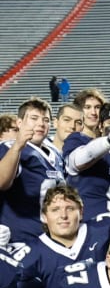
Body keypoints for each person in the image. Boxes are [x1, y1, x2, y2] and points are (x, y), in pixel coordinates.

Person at [0, 97, 65, 242]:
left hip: (51, 238)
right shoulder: (9, 147)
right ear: (20, 122)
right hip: (20, 239)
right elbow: (2, 182)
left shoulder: (55, 154)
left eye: (46, 120)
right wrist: (17, 146)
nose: (41, 124)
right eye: (34, 118)